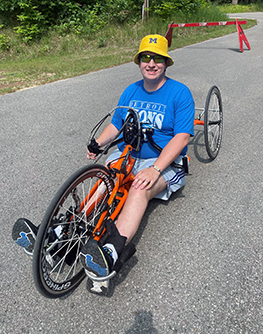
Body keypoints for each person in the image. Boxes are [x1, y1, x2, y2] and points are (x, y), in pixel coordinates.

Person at [12, 34, 195, 284]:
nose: (151, 64)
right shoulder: (131, 91)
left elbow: (182, 138)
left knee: (139, 190)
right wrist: (99, 143)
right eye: (146, 58)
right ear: (139, 61)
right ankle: (57, 234)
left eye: (158, 59)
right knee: (103, 179)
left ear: (166, 63)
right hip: (128, 155)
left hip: (163, 162)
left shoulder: (179, 93)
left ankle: (110, 253)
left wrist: (155, 169)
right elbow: (116, 124)